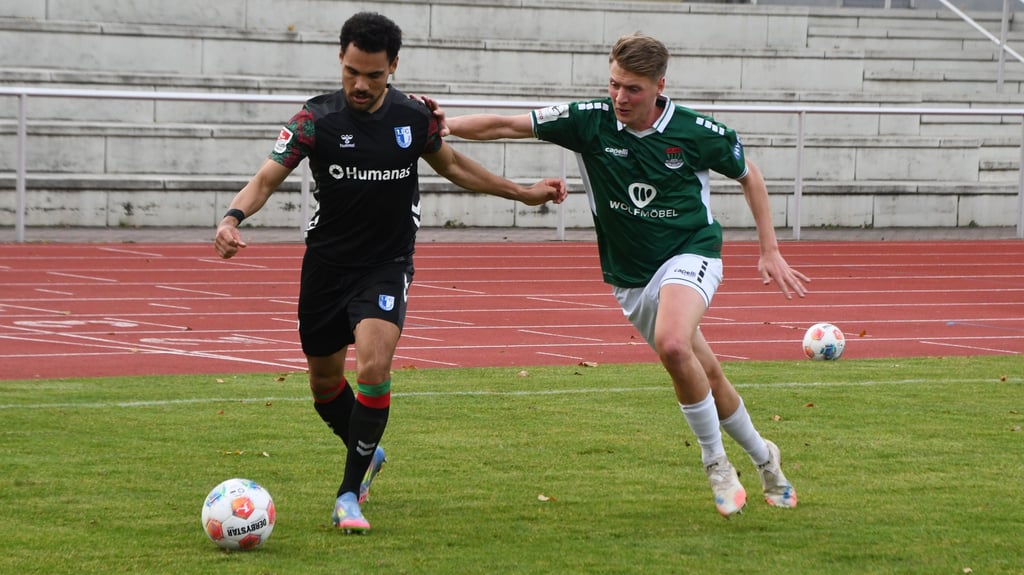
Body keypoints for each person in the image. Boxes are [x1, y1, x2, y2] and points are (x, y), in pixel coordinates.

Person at [213, 11, 566, 534]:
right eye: (352, 71)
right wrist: (231, 217)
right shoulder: (315, 120)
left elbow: (457, 167)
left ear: (393, 66)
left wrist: (523, 193)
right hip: (326, 267)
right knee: (325, 385)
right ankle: (370, 452)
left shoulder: (414, 118)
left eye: (374, 74)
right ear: (340, 59)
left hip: (386, 265)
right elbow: (266, 178)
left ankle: (348, 494)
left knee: (374, 368)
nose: (360, 84)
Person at [435, 33, 809, 518]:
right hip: (629, 277)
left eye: (632, 89)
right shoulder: (589, 121)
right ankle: (765, 458)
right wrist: (443, 127)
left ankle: (715, 463)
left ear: (659, 86)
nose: (620, 97)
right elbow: (507, 124)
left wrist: (770, 249)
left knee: (674, 344)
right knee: (705, 372)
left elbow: (749, 175)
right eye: (613, 85)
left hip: (690, 252)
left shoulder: (697, 132)